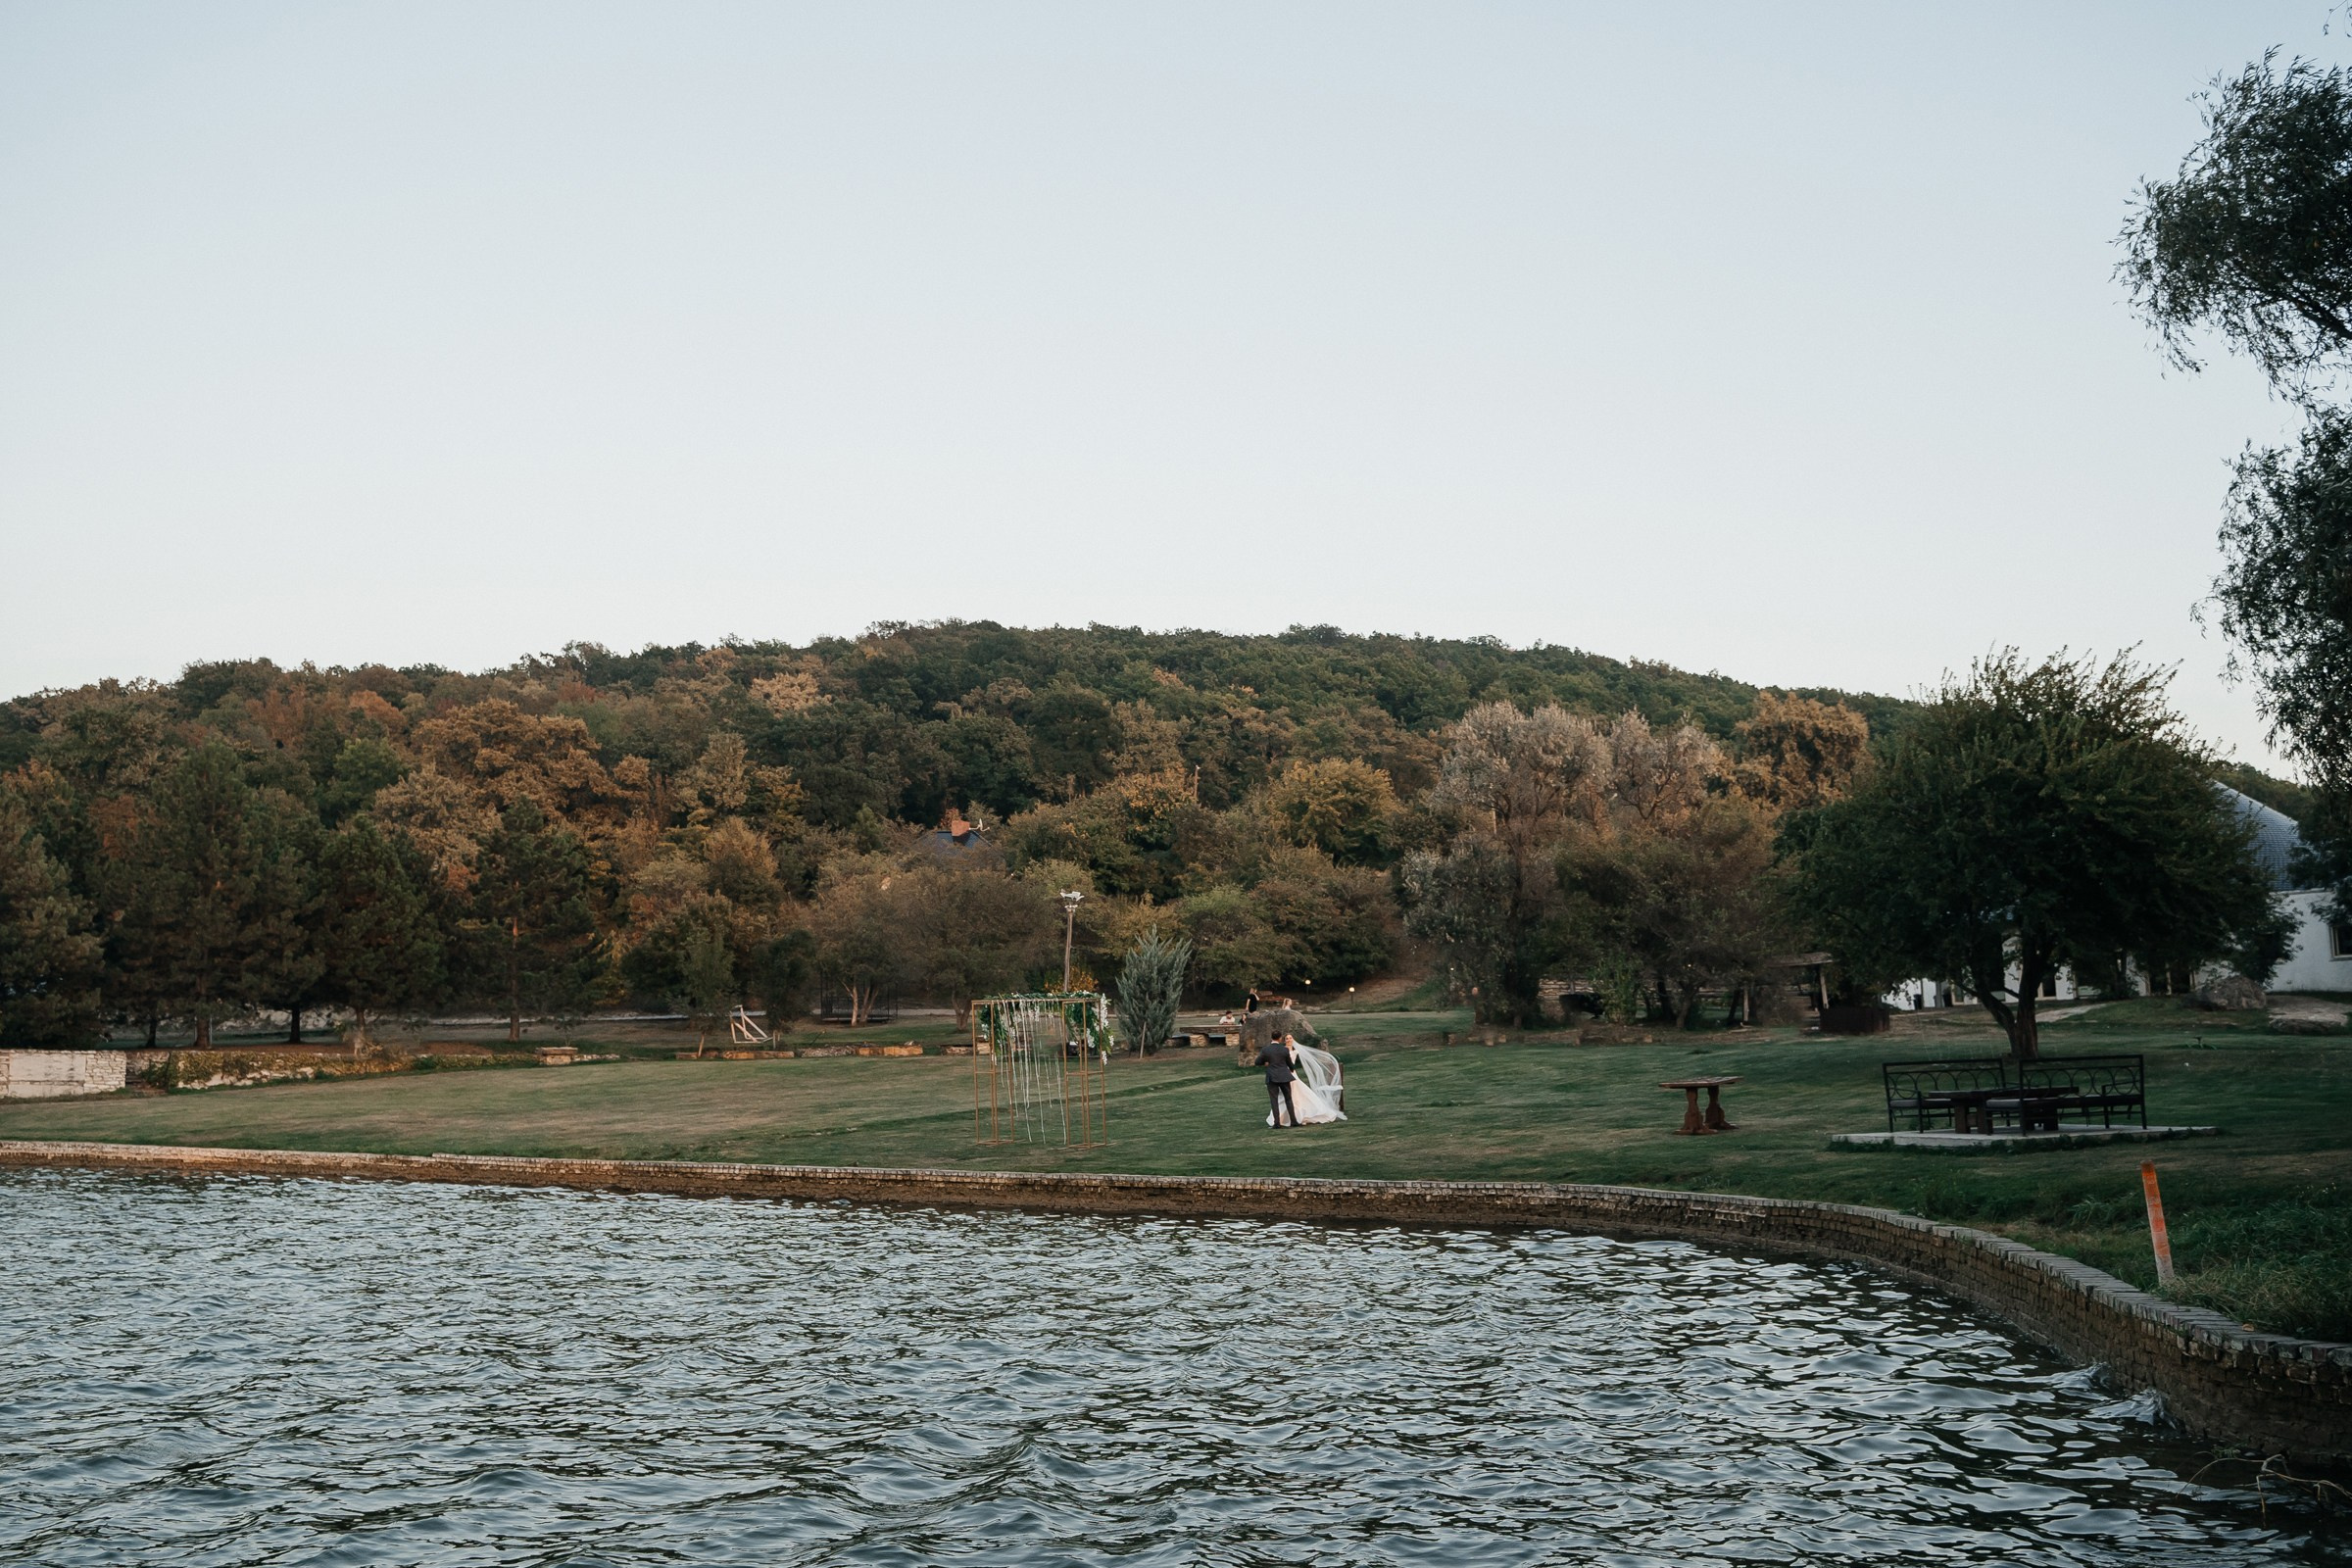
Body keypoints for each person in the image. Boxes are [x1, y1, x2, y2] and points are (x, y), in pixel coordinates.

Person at [1262, 1031, 1347, 1127]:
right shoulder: (1283, 1050)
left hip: (1292, 1074)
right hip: (1284, 1074)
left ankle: (1296, 1117)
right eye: (1287, 1038)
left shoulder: (1295, 1051)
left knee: (1295, 1095)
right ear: (1283, 1040)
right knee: (1287, 1097)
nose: (1289, 1040)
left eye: (1290, 1038)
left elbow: (1291, 1064)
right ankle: (1285, 1118)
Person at [1253, 1032, 1298, 1128]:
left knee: (1274, 1100)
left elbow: (1257, 1062)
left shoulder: (1266, 1050)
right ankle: (1293, 1121)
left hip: (1272, 1077)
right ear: (1280, 1038)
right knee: (1288, 1099)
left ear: (1271, 1038)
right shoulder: (1284, 1050)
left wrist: (1265, 1062)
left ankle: (1277, 1123)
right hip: (1284, 1076)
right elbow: (1290, 1064)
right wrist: (1291, 1069)